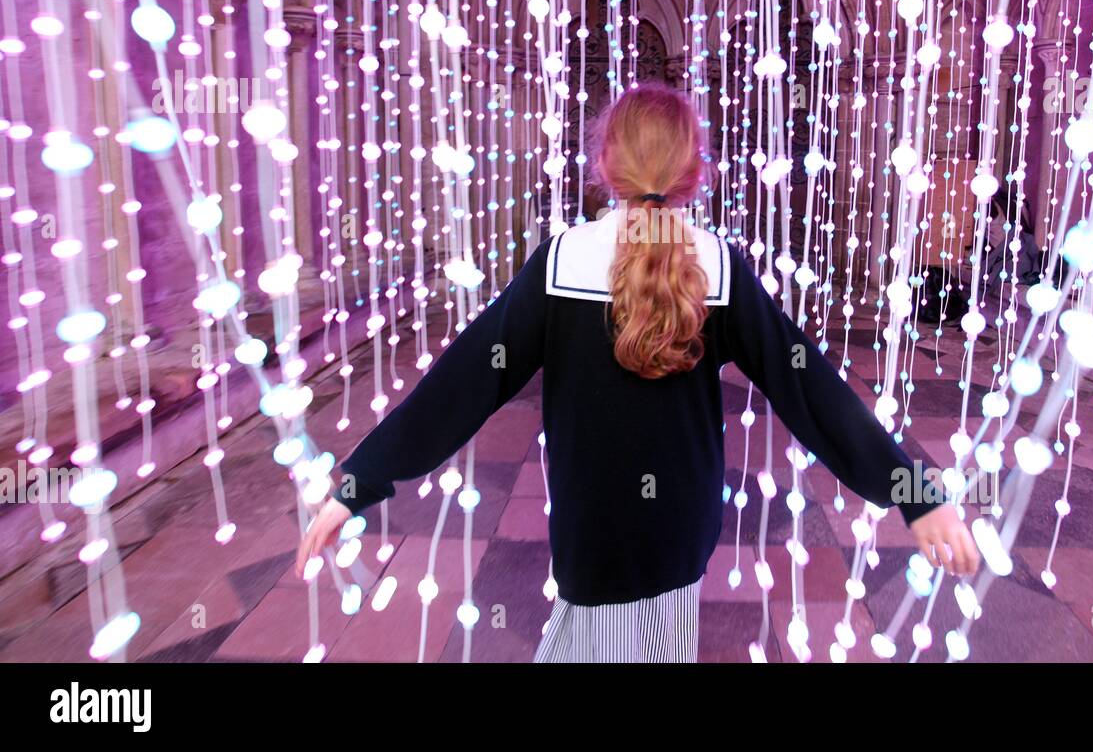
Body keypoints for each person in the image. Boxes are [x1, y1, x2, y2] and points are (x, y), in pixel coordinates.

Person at [296, 84, 979, 662]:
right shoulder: (718, 265)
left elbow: (464, 380)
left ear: (603, 163)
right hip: (681, 526)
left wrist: (359, 481)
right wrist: (914, 490)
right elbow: (809, 385)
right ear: (694, 173)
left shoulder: (562, 263)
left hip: (594, 530)